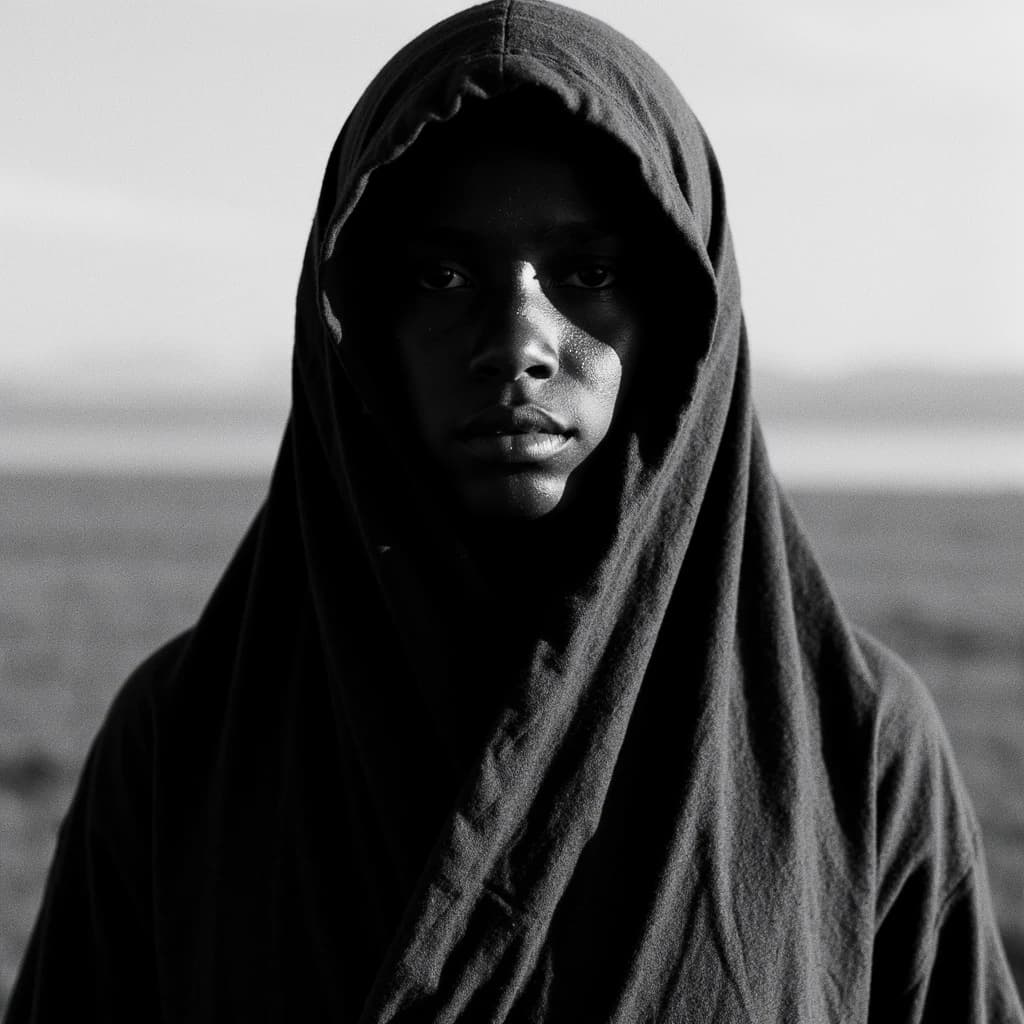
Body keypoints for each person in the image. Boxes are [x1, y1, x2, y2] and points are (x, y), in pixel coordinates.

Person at [7, 1, 1022, 1021]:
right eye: (442, 274)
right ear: (353, 325)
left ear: (681, 321)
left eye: (588, 273)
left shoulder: (854, 746)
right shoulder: (187, 741)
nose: (518, 339)